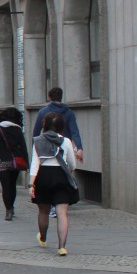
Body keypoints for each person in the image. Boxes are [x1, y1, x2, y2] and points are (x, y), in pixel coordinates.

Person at [29, 112, 78, 257]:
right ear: (61, 126)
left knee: (43, 211)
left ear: (44, 126)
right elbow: (72, 164)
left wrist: (32, 184)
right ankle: (62, 247)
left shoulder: (37, 141)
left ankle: (43, 238)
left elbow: (34, 164)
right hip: (61, 177)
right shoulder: (66, 142)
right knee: (62, 213)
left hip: (43, 177)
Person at [32, 87, 84, 218]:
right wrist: (79, 148)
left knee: (48, 176)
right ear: (61, 96)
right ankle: (60, 203)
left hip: (46, 147)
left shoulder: (43, 112)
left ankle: (53, 206)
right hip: (64, 147)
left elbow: (36, 131)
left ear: (49, 97)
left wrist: (35, 147)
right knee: (63, 174)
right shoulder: (69, 113)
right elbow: (74, 131)